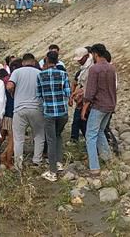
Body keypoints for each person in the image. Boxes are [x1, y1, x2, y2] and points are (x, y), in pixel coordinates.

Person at [81, 44, 117, 177]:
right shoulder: (112, 68)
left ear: (95, 54)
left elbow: (90, 92)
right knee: (100, 131)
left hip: (99, 106)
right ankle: (108, 160)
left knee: (90, 135)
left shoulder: (95, 69)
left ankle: (94, 167)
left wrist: (84, 108)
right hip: (110, 105)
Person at [36, 51, 71, 182]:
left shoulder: (40, 75)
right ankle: (59, 162)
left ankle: (52, 172)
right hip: (62, 112)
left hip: (49, 112)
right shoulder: (63, 74)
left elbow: (38, 94)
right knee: (58, 135)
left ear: (46, 60)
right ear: (57, 61)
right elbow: (67, 92)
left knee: (50, 140)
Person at [8, 54, 46, 169]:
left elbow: (9, 86)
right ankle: (37, 161)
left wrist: (13, 93)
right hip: (36, 108)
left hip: (20, 109)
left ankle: (18, 164)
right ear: (34, 62)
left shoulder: (17, 72)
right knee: (39, 135)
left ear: (23, 62)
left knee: (18, 138)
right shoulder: (40, 73)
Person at [70, 47, 92, 143]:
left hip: (88, 100)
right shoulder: (83, 69)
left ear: (87, 56)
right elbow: (76, 83)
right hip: (82, 99)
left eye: (81, 59)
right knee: (79, 121)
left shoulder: (91, 67)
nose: (79, 62)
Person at [0, 69, 15, 169]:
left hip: (5, 112)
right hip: (12, 113)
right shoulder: (12, 82)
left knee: (2, 136)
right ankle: (7, 160)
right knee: (12, 139)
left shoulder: (4, 83)